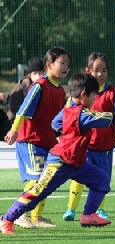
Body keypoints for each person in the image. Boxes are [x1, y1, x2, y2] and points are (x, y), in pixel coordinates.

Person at [0, 73, 115, 235]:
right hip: (59, 162)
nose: (95, 100)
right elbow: (106, 117)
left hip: (78, 163)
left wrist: (67, 134)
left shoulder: (67, 110)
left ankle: (88, 215)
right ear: (83, 94)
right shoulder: (83, 114)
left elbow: (55, 124)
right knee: (38, 191)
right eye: (93, 96)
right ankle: (7, 219)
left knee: (101, 180)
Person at [4, 47, 71, 229]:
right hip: (30, 140)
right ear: (49, 65)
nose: (66, 67)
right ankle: (18, 214)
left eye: (68, 64)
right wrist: (14, 130)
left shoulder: (60, 91)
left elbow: (58, 120)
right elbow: (23, 110)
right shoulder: (39, 86)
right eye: (62, 63)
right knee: (35, 179)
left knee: (46, 179)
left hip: (47, 142)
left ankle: (36, 216)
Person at [62, 53, 115, 221]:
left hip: (105, 148)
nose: (100, 74)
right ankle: (71, 208)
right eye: (96, 70)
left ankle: (99, 209)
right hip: (84, 147)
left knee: (102, 179)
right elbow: (67, 116)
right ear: (87, 71)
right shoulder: (78, 94)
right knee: (78, 177)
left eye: (104, 70)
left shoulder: (113, 93)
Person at [6, 57, 45, 121]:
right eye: (35, 73)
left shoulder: (47, 86)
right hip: (16, 120)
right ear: (30, 75)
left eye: (40, 73)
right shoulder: (20, 87)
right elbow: (13, 107)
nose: (38, 76)